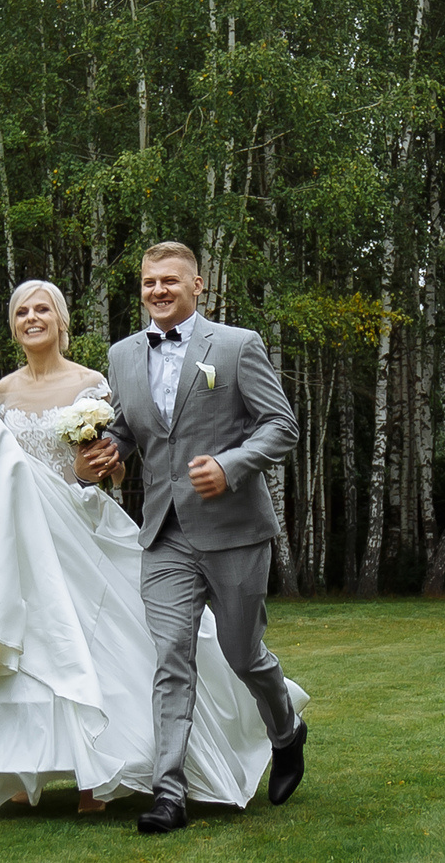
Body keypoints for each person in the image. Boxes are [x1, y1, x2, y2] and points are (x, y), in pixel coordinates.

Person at [0, 278, 306, 817]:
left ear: (63, 321)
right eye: (21, 311)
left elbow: (114, 455)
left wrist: (104, 467)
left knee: (215, 648)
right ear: (12, 325)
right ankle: (81, 775)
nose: (32, 318)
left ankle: (282, 727)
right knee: (43, 647)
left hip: (84, 525)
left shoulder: (95, 378)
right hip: (25, 538)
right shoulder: (6, 389)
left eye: (43, 309)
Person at [78, 242, 309, 836]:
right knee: (171, 660)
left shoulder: (236, 346)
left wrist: (231, 465)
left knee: (242, 655)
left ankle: (286, 732)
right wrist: (111, 452)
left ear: (197, 285)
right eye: (149, 282)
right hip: (163, 536)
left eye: (170, 281)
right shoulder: (123, 354)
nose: (158, 290)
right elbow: (134, 431)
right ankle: (169, 792)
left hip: (234, 533)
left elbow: (281, 425)